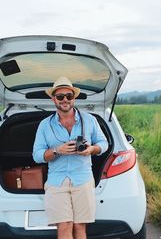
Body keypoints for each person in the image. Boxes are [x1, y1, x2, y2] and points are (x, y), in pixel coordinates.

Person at [33, 76, 108, 239]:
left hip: (83, 178)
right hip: (56, 181)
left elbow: (104, 143)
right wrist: (57, 150)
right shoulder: (45, 125)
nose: (65, 99)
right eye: (60, 96)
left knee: (80, 226)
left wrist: (92, 149)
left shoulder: (89, 120)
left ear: (74, 98)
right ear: (53, 99)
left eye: (69, 96)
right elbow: (37, 156)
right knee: (64, 225)